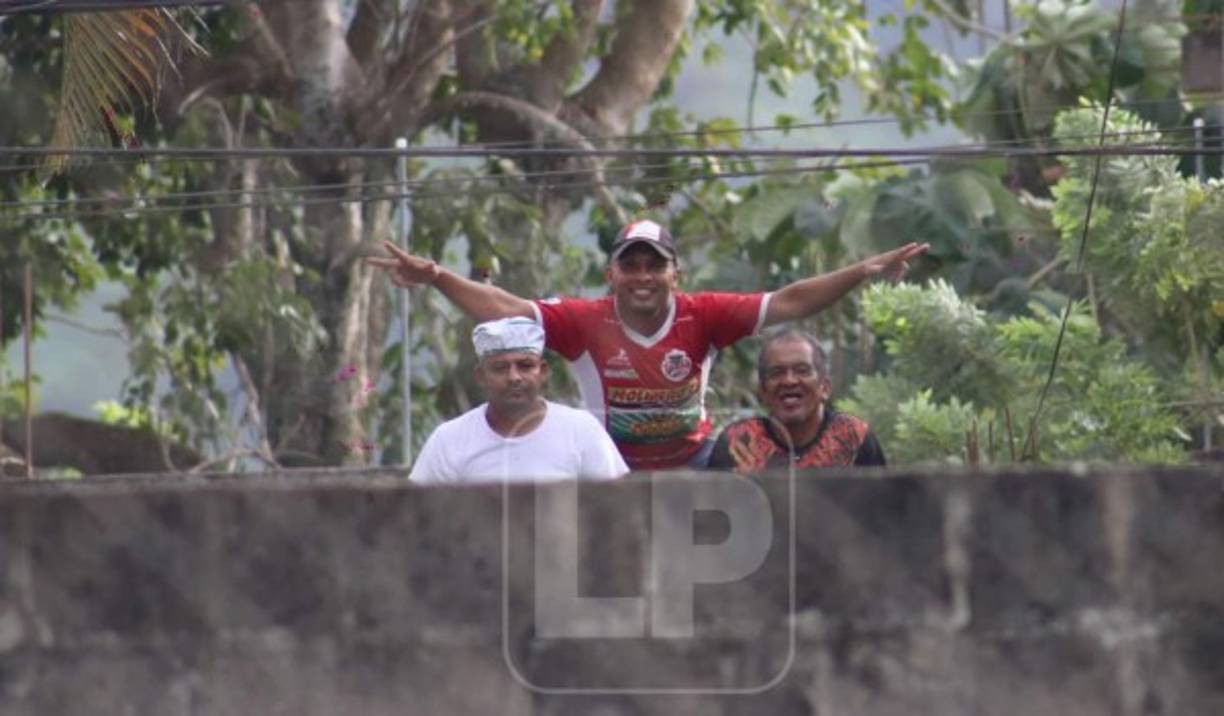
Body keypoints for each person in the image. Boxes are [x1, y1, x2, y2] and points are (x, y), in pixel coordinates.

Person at [371, 219, 924, 470]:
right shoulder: (583, 321)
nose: (642, 277)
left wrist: (862, 270)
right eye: (630, 265)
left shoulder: (705, 314)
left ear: (674, 275)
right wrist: (436, 275)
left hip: (696, 465)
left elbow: (791, 301)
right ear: (610, 275)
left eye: (654, 266)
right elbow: (503, 308)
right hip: (611, 466)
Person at [409, 317, 628, 484]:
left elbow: (615, 506)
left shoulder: (581, 430)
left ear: (543, 371)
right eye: (500, 368)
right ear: (480, 376)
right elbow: (418, 514)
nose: (514, 377)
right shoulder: (449, 440)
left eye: (525, 366)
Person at [708, 329, 885, 473]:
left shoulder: (853, 436)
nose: (789, 380)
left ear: (825, 388)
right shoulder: (738, 442)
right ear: (762, 392)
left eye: (802, 370)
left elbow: (883, 504)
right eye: (777, 373)